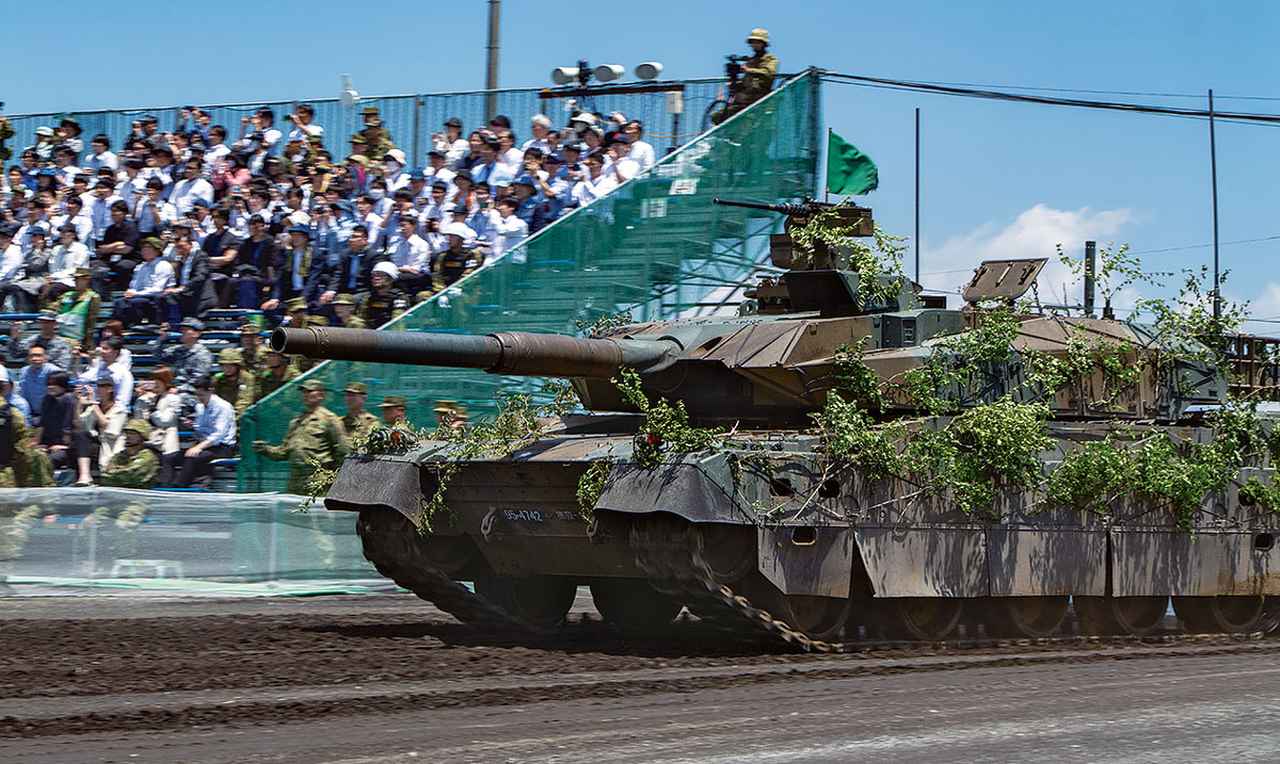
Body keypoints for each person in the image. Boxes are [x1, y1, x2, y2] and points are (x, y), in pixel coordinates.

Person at [251, 379, 349, 495]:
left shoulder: (330, 419)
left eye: (310, 391)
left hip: (317, 478)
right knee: (292, 511)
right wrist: (266, 449)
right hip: (295, 479)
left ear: (321, 395)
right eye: (304, 392)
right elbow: (284, 452)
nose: (306, 395)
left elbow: (343, 450)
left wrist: (332, 475)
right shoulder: (296, 421)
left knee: (316, 512)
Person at [167, 375, 237, 488]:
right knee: (169, 458)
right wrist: (192, 425)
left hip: (222, 448)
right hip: (204, 444)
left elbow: (218, 435)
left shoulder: (223, 407)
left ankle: (179, 487)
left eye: (201, 395)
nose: (199, 398)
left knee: (192, 456)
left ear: (210, 391)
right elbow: (200, 428)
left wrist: (199, 447)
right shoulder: (200, 407)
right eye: (197, 395)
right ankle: (166, 485)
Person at [711, 28, 779, 125]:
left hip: (759, 102)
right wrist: (734, 83)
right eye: (753, 42)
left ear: (764, 43)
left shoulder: (771, 59)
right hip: (743, 102)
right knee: (717, 116)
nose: (754, 45)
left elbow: (768, 73)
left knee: (749, 125)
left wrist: (748, 70)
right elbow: (746, 82)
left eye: (757, 42)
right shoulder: (750, 61)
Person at [114, 236, 175, 325]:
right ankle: (119, 328)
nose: (144, 250)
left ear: (157, 250)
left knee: (135, 302)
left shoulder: (164, 265)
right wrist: (130, 291)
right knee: (119, 302)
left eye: (148, 248)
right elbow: (135, 284)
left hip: (157, 298)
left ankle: (136, 325)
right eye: (143, 248)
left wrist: (136, 294)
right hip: (141, 295)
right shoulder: (141, 266)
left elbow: (158, 289)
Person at [79, 375, 129, 481]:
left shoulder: (120, 409)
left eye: (101, 386)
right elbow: (80, 423)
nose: (98, 389)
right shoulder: (95, 406)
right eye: (97, 386)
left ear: (110, 389)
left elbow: (110, 429)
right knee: (80, 435)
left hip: (112, 445)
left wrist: (93, 404)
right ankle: (84, 476)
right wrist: (78, 404)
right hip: (98, 443)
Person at [165, 226, 217, 321]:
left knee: (171, 298)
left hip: (199, 297)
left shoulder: (200, 256)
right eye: (177, 248)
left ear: (190, 245)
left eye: (181, 247)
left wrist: (183, 288)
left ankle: (175, 326)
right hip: (185, 296)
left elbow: (200, 277)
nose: (179, 250)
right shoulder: (180, 261)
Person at [131, 366, 181, 461]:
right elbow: (139, 420)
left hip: (166, 447)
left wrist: (153, 407)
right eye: (153, 379)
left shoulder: (173, 399)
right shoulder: (149, 398)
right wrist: (142, 400)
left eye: (158, 379)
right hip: (148, 444)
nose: (154, 382)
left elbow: (164, 421)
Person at [152, 317, 213, 388]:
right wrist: (161, 339)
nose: (182, 332)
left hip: (191, 392)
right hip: (175, 389)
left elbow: (199, 378)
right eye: (181, 329)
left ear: (197, 334)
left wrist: (180, 389)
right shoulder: (177, 349)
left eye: (186, 330)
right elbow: (159, 357)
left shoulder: (203, 354)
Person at [98, 419, 159, 489]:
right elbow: (106, 474)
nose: (128, 436)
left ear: (142, 436)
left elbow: (130, 476)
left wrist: (115, 471)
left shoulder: (148, 457)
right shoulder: (119, 456)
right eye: (127, 433)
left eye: (132, 433)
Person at [55, 268, 101, 354]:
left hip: (77, 340)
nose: (76, 281)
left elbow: (91, 323)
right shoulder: (66, 295)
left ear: (87, 280)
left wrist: (86, 344)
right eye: (75, 279)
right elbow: (55, 311)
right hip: (60, 338)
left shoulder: (93, 297)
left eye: (79, 279)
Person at [17, 345, 61, 426]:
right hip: (29, 415)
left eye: (38, 355)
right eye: (31, 356)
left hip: (50, 416)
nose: (34, 358)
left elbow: (61, 394)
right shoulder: (23, 371)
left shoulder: (53, 371)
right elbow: (21, 392)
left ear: (45, 357)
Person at [358, 262, 408, 328]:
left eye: (381, 275)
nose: (376, 278)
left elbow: (397, 321)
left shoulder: (399, 298)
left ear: (391, 279)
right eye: (374, 275)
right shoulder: (368, 297)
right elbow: (361, 318)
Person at [212, 347, 257, 415]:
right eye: (224, 365)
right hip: (222, 415)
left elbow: (244, 401)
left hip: (242, 416)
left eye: (230, 365)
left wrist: (232, 415)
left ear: (237, 366)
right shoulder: (218, 379)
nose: (227, 368)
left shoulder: (247, 378)